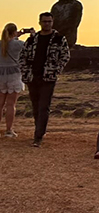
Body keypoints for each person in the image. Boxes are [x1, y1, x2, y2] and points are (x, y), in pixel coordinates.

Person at [17, 12, 70, 147]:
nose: (47, 24)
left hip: (48, 78)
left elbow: (65, 56)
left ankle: (38, 135)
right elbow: (22, 56)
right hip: (32, 77)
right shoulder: (32, 40)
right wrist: (24, 70)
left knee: (43, 106)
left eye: (49, 21)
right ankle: (38, 130)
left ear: (52, 22)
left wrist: (56, 70)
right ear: (40, 22)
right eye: (44, 21)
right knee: (35, 106)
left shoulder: (59, 38)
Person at [1, 23, 28, 138]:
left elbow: (8, 42)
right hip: (14, 74)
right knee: (11, 104)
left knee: (0, 104)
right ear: (14, 32)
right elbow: (29, 47)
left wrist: (18, 35)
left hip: (1, 74)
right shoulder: (18, 44)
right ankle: (8, 130)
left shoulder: (1, 44)